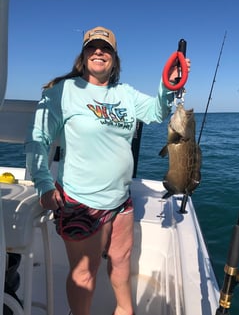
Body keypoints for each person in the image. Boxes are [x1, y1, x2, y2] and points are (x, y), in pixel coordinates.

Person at [25, 26, 191, 315]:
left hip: (121, 201)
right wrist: (43, 184)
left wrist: (168, 86)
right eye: (92, 47)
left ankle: (126, 311)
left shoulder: (124, 94)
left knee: (122, 260)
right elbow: (37, 139)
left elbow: (155, 111)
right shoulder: (63, 92)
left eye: (106, 48)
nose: (99, 51)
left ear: (114, 59)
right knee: (84, 275)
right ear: (84, 55)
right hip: (81, 201)